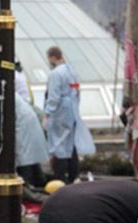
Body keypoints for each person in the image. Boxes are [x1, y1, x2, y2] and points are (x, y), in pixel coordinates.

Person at [44, 46, 95, 184]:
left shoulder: (55, 74)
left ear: (52, 57)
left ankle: (60, 178)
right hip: (71, 111)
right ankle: (74, 176)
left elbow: (53, 96)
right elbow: (77, 91)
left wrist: (48, 114)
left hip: (60, 112)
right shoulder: (71, 71)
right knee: (70, 145)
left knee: (58, 145)